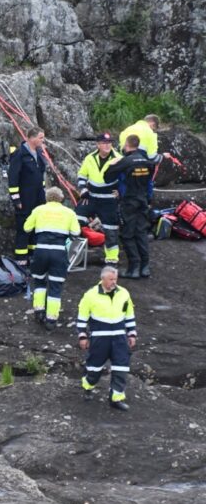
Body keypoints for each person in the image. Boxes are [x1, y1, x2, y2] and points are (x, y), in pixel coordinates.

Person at [76, 266, 137, 411]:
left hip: (119, 338)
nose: (114, 282)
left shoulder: (123, 293)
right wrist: (82, 336)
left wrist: (132, 334)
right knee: (94, 369)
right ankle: (88, 386)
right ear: (102, 279)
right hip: (100, 339)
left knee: (121, 368)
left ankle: (116, 399)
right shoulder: (90, 295)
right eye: (111, 279)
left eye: (115, 279)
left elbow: (129, 314)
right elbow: (82, 317)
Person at [104, 134, 163, 279]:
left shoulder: (126, 161)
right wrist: (148, 200)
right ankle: (145, 267)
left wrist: (112, 164)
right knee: (141, 232)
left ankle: (133, 268)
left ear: (127, 144)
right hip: (143, 201)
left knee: (127, 235)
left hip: (129, 202)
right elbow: (150, 183)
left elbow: (107, 177)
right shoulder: (148, 162)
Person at [23, 187, 81, 330]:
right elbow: (76, 232)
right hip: (59, 252)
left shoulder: (38, 210)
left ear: (47, 198)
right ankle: (51, 320)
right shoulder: (69, 212)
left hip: (41, 250)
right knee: (55, 287)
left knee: (39, 282)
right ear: (61, 198)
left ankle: (39, 311)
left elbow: (26, 228)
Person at [75, 133, 122, 266]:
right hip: (91, 197)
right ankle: (75, 254)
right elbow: (82, 175)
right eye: (104, 142)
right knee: (76, 220)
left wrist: (121, 191)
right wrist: (83, 190)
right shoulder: (90, 158)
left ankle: (112, 259)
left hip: (109, 200)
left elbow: (126, 178)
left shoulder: (119, 158)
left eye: (109, 142)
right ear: (98, 144)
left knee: (111, 229)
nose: (107, 145)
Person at [7, 127, 48, 266]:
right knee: (24, 227)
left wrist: (43, 192)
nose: (43, 141)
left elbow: (40, 176)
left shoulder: (39, 153)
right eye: (41, 138)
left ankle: (33, 256)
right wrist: (16, 198)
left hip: (38, 198)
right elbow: (13, 178)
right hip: (25, 198)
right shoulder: (19, 155)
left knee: (36, 227)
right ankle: (21, 260)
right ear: (32, 138)